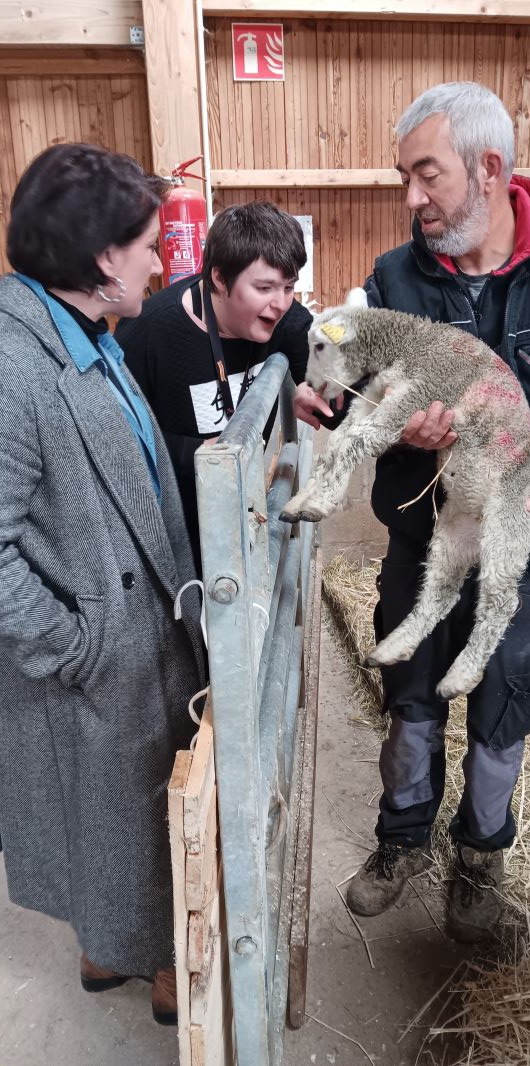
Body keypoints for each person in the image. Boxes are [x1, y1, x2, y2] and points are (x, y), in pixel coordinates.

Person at [294, 82, 530, 942]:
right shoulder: (397, 276)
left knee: (506, 709)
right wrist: (324, 398)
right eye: (404, 177)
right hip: (420, 540)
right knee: (412, 700)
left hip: (522, 548)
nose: (411, 199)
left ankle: (480, 857)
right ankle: (403, 841)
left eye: (425, 175)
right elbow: (338, 368)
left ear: (489, 167)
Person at [0, 143, 206, 1023]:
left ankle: (110, 942)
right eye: (148, 244)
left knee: (127, 803)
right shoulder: (13, 368)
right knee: (122, 808)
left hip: (130, 632)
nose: (160, 260)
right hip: (89, 651)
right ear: (98, 260)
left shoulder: (80, 328)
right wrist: (75, 644)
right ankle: (147, 951)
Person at [115, 201, 312, 570]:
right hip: (176, 541)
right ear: (219, 278)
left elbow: (334, 388)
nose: (280, 303)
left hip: (246, 518)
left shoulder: (283, 316)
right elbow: (114, 443)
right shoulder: (146, 334)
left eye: (289, 286)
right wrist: (198, 451)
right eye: (264, 286)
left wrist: (314, 387)